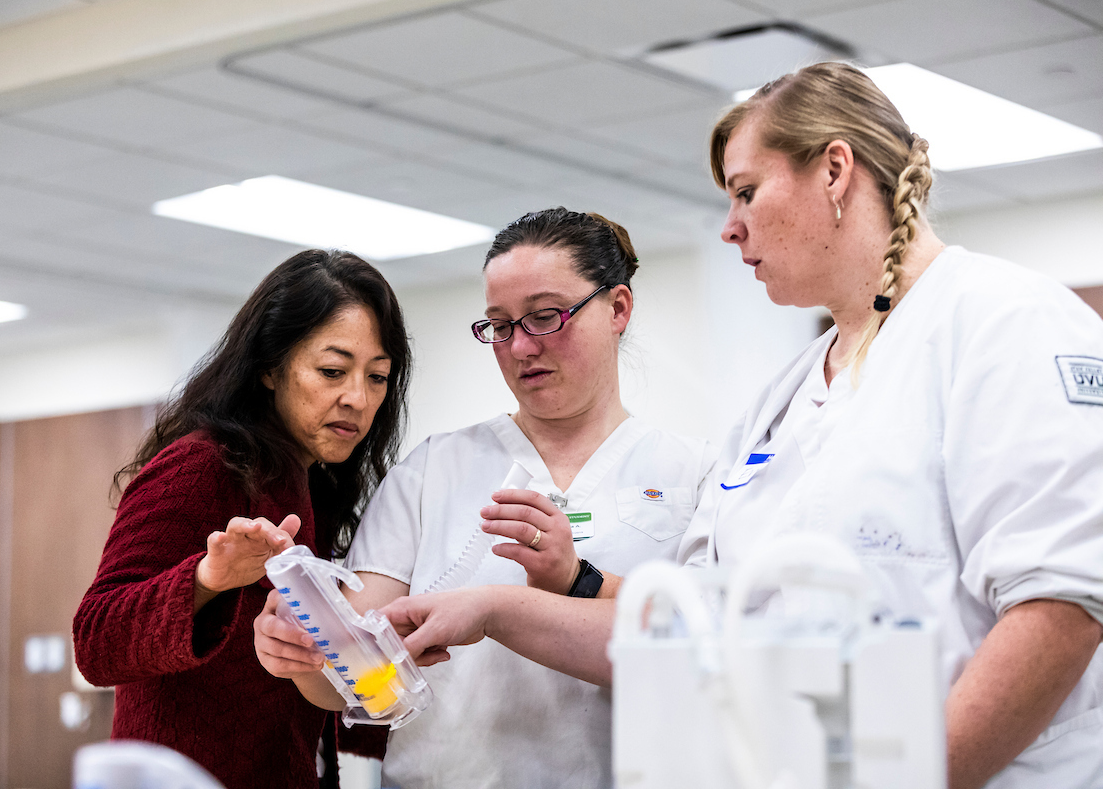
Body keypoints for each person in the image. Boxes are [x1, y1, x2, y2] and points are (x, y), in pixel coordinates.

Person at [375, 63, 1103, 789]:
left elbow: (1061, 606)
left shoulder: (1007, 324)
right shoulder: (783, 400)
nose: (729, 228)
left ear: (835, 171)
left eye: (747, 192)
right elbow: (698, 623)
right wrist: (502, 606)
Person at [253, 208, 715, 788]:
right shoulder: (432, 470)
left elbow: (708, 655)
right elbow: (360, 679)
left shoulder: (695, 473)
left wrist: (526, 599)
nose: (519, 347)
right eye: (499, 325)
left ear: (617, 308)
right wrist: (304, 654)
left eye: (544, 317)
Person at [73, 249, 411, 789]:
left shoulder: (317, 486)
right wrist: (207, 579)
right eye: (332, 371)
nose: (357, 398)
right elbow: (97, 641)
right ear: (270, 368)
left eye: (377, 377)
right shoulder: (203, 464)